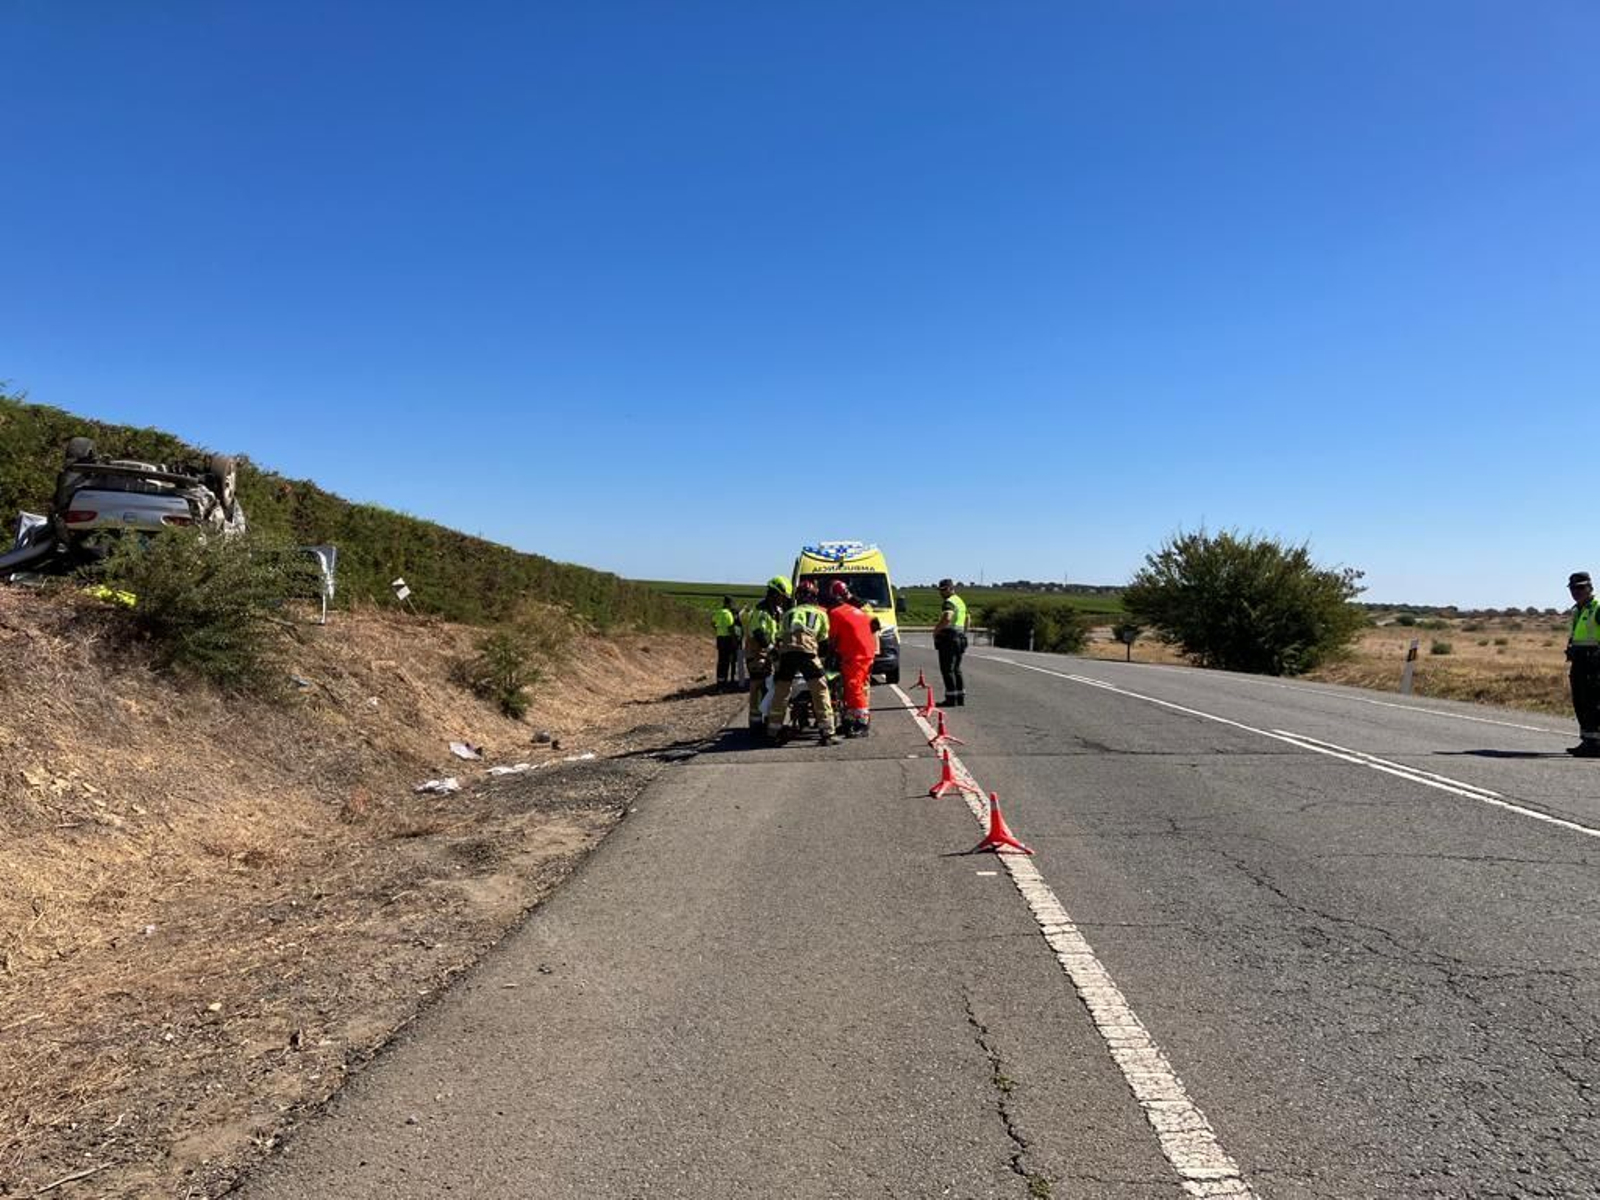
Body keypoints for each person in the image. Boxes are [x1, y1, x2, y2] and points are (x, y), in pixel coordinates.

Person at [765, 579, 837, 745]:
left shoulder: (788, 614)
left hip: (787, 654)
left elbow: (779, 637)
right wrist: (823, 660)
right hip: (807, 653)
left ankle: (773, 730)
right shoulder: (820, 613)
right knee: (820, 689)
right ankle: (827, 732)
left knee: (782, 691)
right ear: (814, 597)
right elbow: (824, 642)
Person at [825, 580, 879, 737]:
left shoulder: (835, 614)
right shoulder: (858, 608)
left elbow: (832, 639)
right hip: (864, 651)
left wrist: (829, 656)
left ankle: (862, 722)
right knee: (850, 687)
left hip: (857, 654)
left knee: (855, 687)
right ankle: (849, 720)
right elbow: (874, 624)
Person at [742, 577, 791, 731]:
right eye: (782, 597)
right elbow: (759, 633)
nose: (783, 601)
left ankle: (768, 715)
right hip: (757, 654)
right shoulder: (761, 610)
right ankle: (755, 722)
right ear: (774, 594)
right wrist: (771, 649)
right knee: (758, 683)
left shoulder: (775, 611)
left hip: (769, 653)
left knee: (771, 684)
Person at [1567, 571, 1600, 756]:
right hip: (1579, 661)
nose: (1576, 591)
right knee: (1580, 701)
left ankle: (1596, 743)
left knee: (1593, 702)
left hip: (1594, 661)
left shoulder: (1597, 607)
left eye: (1580, 588)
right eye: (1573, 588)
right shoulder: (1578, 609)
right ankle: (1588, 740)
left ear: (1590, 587)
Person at [934, 577, 969, 706]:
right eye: (940, 590)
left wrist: (936, 631)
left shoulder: (948, 602)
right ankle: (960, 698)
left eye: (943, 590)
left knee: (947, 669)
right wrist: (964, 633)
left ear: (949, 589)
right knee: (956, 669)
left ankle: (950, 699)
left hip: (949, 638)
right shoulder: (960, 601)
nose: (941, 593)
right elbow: (967, 618)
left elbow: (947, 617)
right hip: (960, 638)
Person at [712, 595, 739, 692]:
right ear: (728, 603)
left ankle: (719, 683)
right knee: (727, 661)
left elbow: (713, 623)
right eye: (731, 603)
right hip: (727, 639)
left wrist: (718, 629)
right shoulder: (728, 614)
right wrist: (735, 641)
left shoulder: (718, 612)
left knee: (720, 661)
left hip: (719, 639)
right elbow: (731, 629)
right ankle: (725, 684)